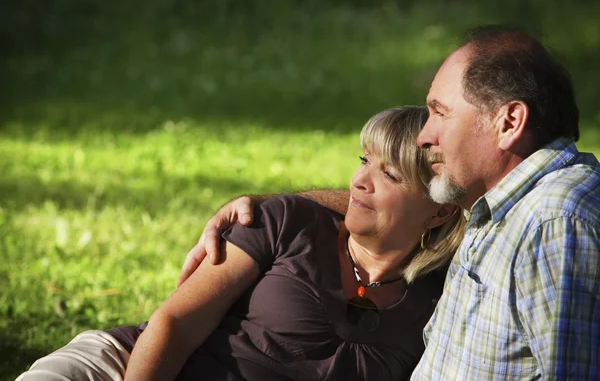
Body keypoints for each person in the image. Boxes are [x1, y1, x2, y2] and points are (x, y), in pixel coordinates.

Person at [184, 25, 600, 380]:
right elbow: (403, 204)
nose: (424, 136)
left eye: (440, 113)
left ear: (508, 122)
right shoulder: (500, 207)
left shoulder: (556, 223)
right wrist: (271, 206)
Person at [17, 106, 465, 381]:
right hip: (132, 368)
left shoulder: (445, 298)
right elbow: (175, 325)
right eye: (364, 160)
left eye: (388, 174)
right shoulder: (288, 221)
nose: (359, 181)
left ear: (441, 211)